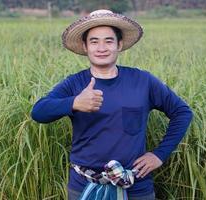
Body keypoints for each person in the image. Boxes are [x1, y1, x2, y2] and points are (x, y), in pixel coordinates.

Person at [31, 9, 193, 200]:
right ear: (85, 46)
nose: (101, 48)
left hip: (136, 186)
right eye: (94, 41)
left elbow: (182, 112)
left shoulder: (142, 81)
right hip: (83, 186)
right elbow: (39, 112)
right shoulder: (74, 84)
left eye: (108, 41)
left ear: (119, 45)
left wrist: (159, 154)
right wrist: (74, 102)